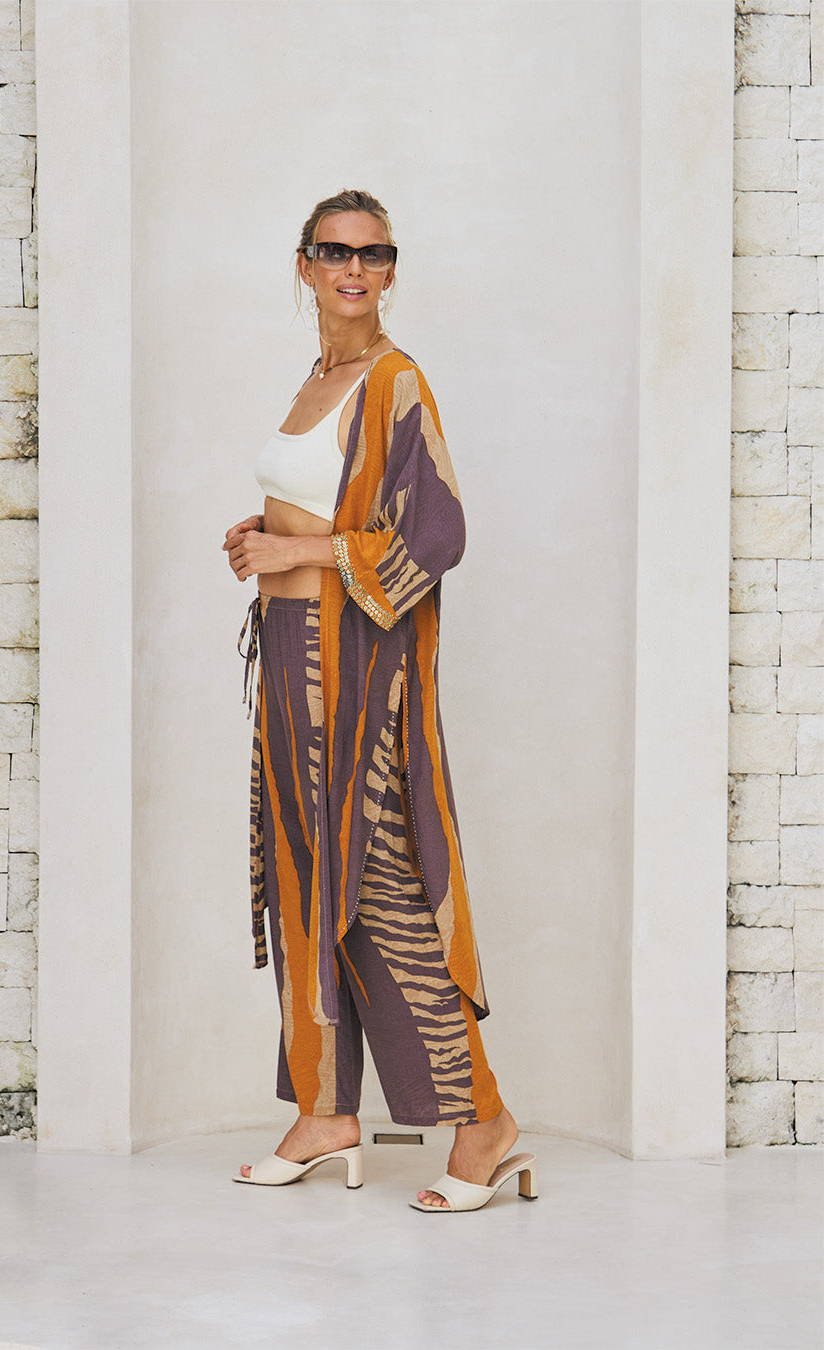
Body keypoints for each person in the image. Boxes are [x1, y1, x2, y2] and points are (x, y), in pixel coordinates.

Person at [222, 189, 537, 1212]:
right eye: (333, 251)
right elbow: (320, 507)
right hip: (287, 659)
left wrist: (302, 552)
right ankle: (324, 1111)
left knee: (380, 886)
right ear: (305, 266)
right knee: (306, 883)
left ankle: (484, 1121)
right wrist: (260, 539)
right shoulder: (316, 379)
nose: (352, 268)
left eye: (372, 253)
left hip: (350, 675)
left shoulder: (397, 382)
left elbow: (435, 534)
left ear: (391, 270)